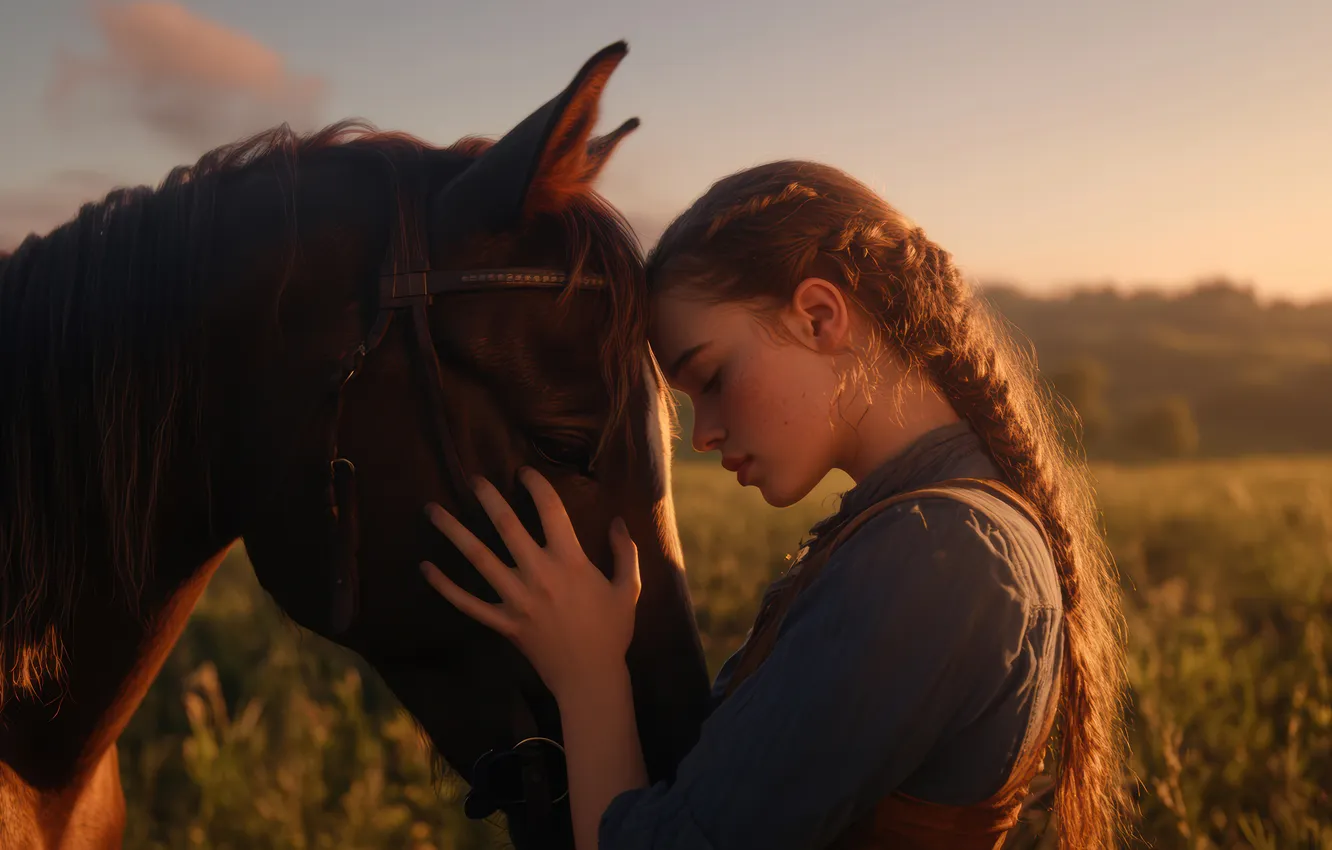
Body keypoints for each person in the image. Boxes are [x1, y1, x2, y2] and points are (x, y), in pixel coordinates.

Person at [418, 160, 1130, 850]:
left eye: (713, 376)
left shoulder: (940, 553)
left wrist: (588, 676)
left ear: (820, 316)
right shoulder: (922, 530)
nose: (705, 434)